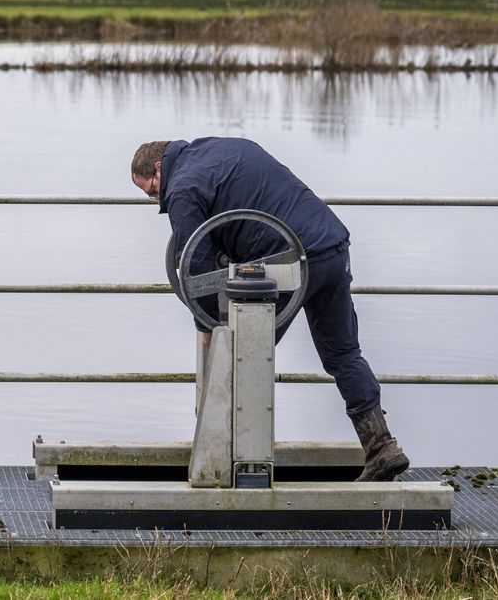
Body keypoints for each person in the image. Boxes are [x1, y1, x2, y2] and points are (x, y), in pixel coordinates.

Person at [129, 137, 410, 482]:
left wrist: (207, 328)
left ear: (159, 168)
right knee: (344, 355)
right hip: (331, 246)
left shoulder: (181, 188)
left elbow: (196, 267)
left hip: (287, 262)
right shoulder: (223, 147)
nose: (157, 200)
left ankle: (233, 464)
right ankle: (382, 446)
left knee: (240, 357)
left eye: (152, 191)